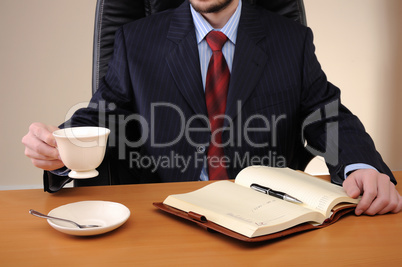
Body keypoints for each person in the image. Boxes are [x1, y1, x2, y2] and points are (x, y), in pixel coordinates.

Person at [22, 0, 401, 215]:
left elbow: (327, 113)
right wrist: (62, 148)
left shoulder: (291, 41)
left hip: (266, 221)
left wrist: (361, 166)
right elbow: (102, 114)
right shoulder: (136, 41)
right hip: (165, 218)